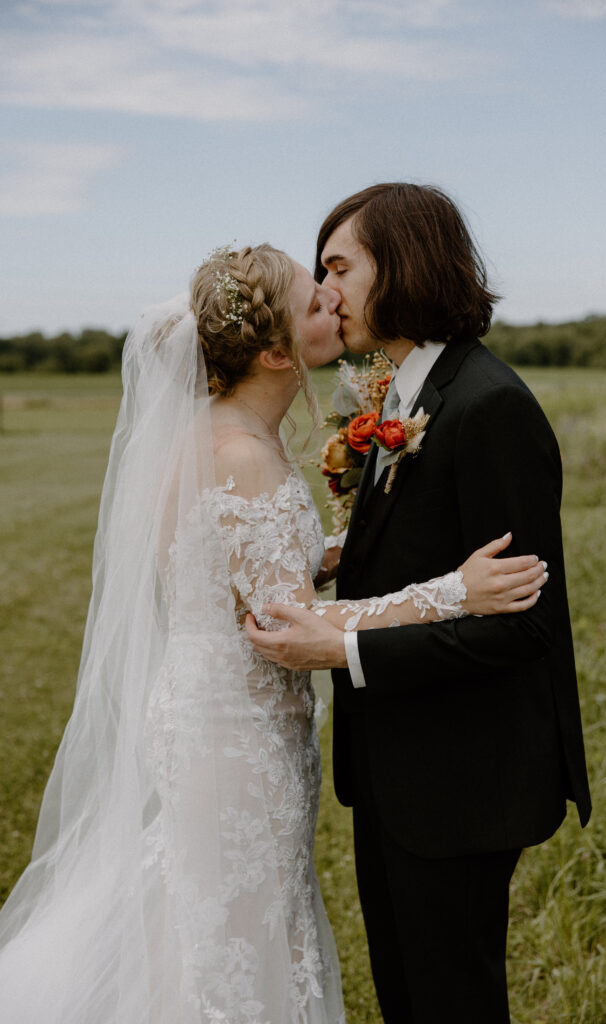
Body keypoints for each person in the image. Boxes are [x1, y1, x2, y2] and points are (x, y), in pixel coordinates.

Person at [0, 241, 547, 1024]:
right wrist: (453, 591)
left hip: (227, 719)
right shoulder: (239, 457)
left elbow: (250, 578)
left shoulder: (228, 437)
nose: (334, 300)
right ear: (273, 351)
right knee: (225, 935)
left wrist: (348, 547)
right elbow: (285, 623)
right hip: (232, 735)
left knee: (211, 918)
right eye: (314, 300)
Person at [247, 184, 592, 1024]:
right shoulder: (395, 397)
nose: (324, 294)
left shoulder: (489, 405)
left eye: (339, 266)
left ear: (403, 261)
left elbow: (525, 626)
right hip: (398, 768)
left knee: (451, 1002)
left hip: (461, 779)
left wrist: (346, 651)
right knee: (408, 996)